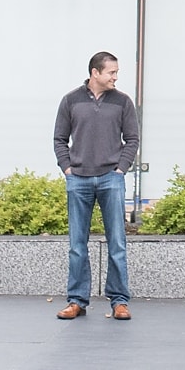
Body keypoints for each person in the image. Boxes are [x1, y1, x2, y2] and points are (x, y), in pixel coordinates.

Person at [52, 50, 140, 321]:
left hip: (110, 179)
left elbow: (133, 140)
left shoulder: (123, 102)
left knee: (118, 243)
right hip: (78, 180)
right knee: (77, 244)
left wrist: (120, 170)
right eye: (111, 72)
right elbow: (59, 139)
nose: (115, 77)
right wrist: (68, 169)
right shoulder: (70, 101)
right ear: (95, 73)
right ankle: (77, 300)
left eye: (116, 72)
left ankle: (120, 301)